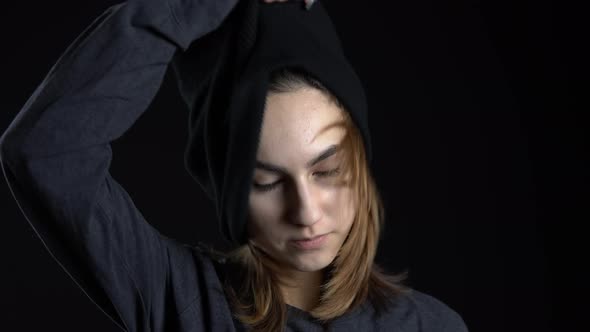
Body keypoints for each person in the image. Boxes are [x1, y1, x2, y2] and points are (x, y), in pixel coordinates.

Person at [0, 0, 469, 331]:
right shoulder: (183, 300)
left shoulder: (434, 326)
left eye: (327, 172)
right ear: (231, 198)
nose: (305, 211)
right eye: (266, 182)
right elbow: (46, 152)